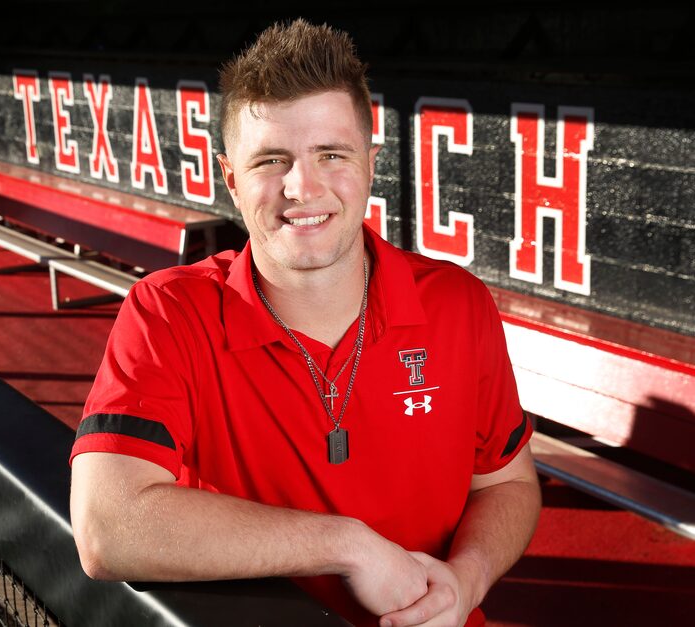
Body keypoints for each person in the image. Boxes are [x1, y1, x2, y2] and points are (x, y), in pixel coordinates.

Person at [69, 18, 541, 627]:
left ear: (370, 165)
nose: (302, 186)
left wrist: (464, 583)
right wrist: (348, 546)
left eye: (331, 154)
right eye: (272, 160)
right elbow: (107, 527)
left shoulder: (458, 303)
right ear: (231, 179)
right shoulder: (168, 312)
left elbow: (507, 483)